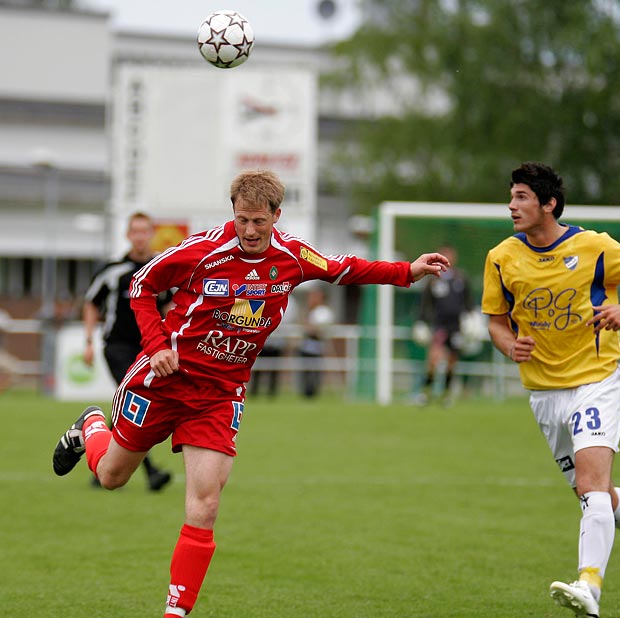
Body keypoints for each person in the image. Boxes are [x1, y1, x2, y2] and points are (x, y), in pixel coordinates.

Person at [52, 169, 451, 618]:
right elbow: (141, 286)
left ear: (276, 216)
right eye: (242, 220)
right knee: (112, 477)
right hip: (164, 383)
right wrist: (157, 346)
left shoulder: (292, 257)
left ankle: (175, 613)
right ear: (233, 214)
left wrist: (407, 271)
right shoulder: (203, 250)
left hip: (220, 394)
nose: (250, 230)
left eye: (260, 221)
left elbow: (343, 268)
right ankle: (90, 425)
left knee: (205, 501)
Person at [481, 162, 620, 618]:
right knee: (596, 495)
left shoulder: (594, 247)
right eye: (512, 195)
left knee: (594, 489)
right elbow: (496, 323)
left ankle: (589, 586)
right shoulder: (501, 257)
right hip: (543, 394)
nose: (511, 204)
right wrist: (510, 346)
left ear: (549, 204)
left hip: (595, 380)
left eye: (521, 196)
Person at [82, 211, 172, 491]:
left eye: (145, 231)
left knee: (129, 405)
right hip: (118, 347)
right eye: (135, 231)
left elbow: (169, 307)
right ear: (128, 235)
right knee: (135, 400)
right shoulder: (113, 270)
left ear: (151, 233)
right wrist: (88, 341)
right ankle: (151, 472)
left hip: (150, 350)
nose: (140, 236)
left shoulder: (161, 269)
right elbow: (91, 304)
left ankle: (103, 466)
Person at [413, 245, 473, 405]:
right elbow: (424, 304)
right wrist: (421, 322)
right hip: (439, 326)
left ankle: (446, 395)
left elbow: (468, 302)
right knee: (433, 360)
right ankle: (425, 393)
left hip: (456, 327)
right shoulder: (432, 280)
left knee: (452, 363)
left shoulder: (461, 279)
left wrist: (471, 319)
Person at [298, 287, 334, 398]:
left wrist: (312, 328)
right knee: (305, 371)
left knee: (316, 371)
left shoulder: (324, 311)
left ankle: (313, 393)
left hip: (318, 346)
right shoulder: (308, 310)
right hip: (306, 346)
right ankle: (305, 392)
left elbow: (319, 329)